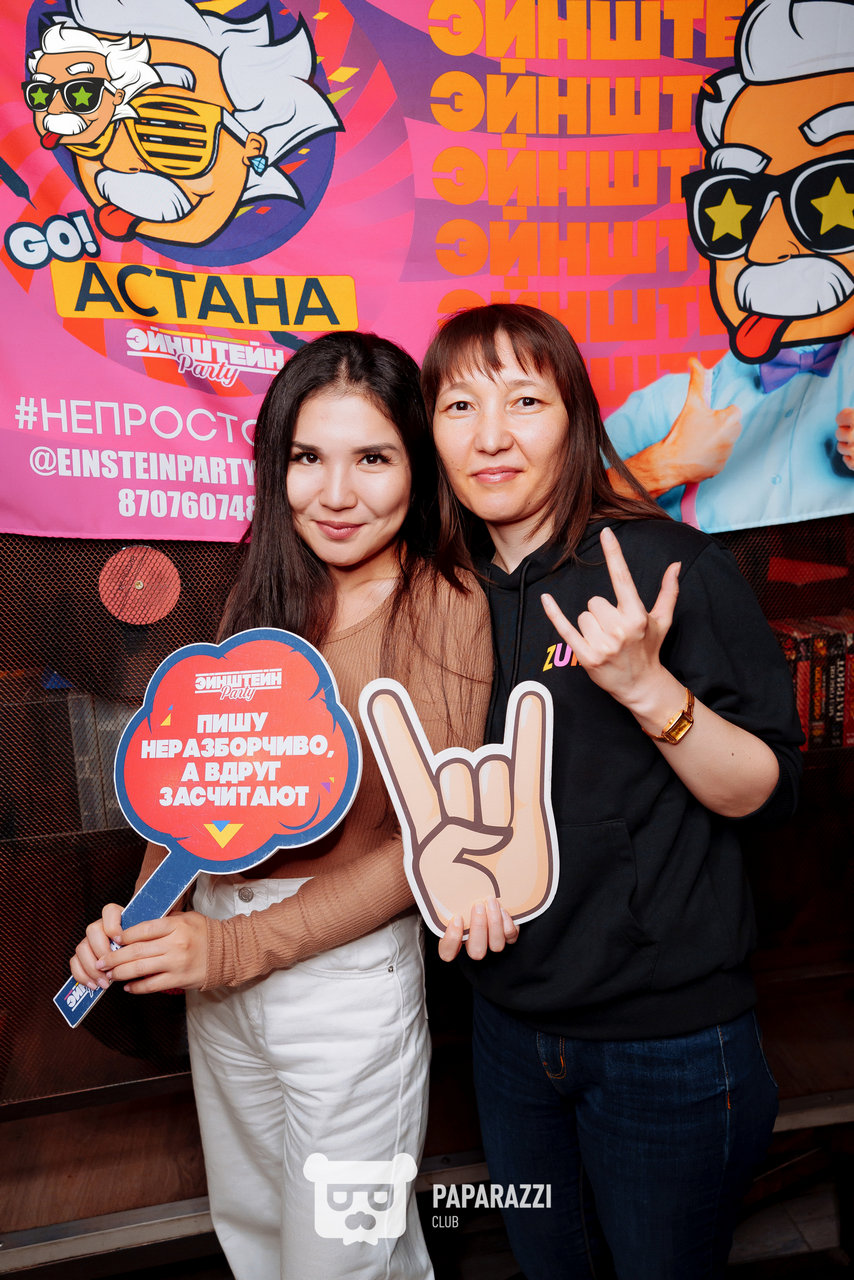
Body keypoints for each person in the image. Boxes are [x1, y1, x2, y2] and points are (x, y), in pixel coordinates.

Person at [69, 330, 493, 1280]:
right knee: (256, 1243)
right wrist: (137, 923)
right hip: (215, 963)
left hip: (341, 983)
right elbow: (195, 788)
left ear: (419, 469)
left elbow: (429, 845)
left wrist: (231, 951)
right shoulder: (261, 599)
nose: (336, 494)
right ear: (276, 466)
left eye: (372, 459)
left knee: (345, 1261)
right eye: (308, 458)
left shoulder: (442, 603)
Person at [420, 303, 804, 1280]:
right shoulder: (440, 594)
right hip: (506, 1034)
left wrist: (646, 688)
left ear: (575, 420)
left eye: (524, 400)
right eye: (459, 405)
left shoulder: (668, 567)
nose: (491, 434)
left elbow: (763, 792)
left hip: (667, 1043)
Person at [605, 0, 854, 534]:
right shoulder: (673, 407)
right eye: (735, 201)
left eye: (828, 192)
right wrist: (663, 464)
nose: (765, 246)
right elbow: (541, 520)